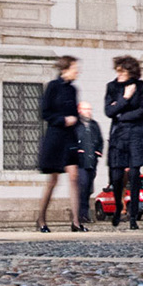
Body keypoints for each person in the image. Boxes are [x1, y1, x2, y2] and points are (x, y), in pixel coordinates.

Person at [36, 56, 84, 232]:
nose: (77, 71)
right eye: (74, 68)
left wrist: (75, 120)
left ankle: (76, 221)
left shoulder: (73, 90)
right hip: (55, 137)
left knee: (74, 176)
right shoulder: (53, 87)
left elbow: (76, 113)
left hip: (69, 138)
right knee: (53, 180)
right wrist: (63, 120)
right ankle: (41, 219)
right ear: (65, 69)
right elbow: (45, 113)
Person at [104, 56, 143, 229]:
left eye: (123, 71)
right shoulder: (112, 86)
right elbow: (108, 111)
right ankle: (118, 208)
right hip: (119, 135)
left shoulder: (140, 86)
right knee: (116, 177)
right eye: (118, 70)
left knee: (134, 175)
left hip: (136, 135)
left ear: (131, 72)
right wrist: (125, 98)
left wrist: (121, 114)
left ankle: (133, 217)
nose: (120, 74)